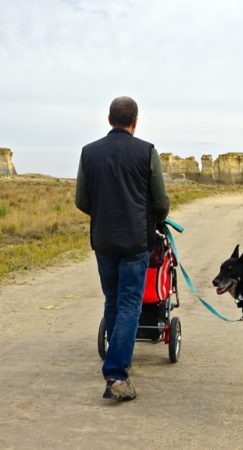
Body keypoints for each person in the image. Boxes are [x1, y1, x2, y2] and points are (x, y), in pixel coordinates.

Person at [75, 96, 170, 401]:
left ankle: (117, 359)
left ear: (109, 119)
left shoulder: (88, 153)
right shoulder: (147, 152)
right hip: (135, 242)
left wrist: (104, 214)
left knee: (113, 299)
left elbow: (82, 200)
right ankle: (116, 374)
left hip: (103, 241)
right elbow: (161, 202)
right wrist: (156, 219)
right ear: (135, 122)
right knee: (130, 303)